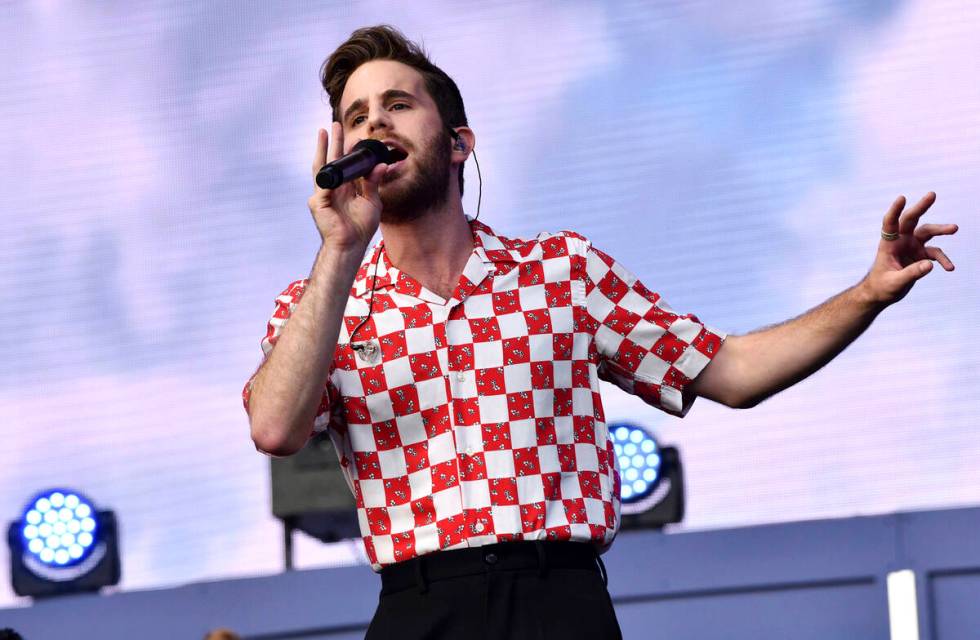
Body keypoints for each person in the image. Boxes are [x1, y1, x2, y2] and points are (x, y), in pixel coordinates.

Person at [243, 24, 958, 640]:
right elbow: (276, 428)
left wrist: (867, 295)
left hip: (562, 602)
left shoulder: (561, 272)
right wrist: (341, 250)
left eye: (398, 105)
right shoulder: (322, 304)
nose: (375, 126)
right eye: (356, 116)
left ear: (459, 143)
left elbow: (733, 372)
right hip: (418, 606)